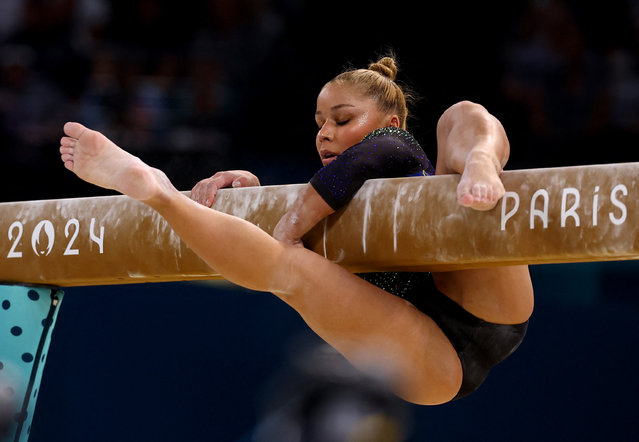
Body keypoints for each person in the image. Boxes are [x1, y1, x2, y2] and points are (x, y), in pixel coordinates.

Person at [59, 55, 534, 406]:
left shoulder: (399, 150)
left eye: (342, 119)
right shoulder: (325, 195)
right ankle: (158, 192)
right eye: (319, 122)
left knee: (461, 114)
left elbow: (375, 155)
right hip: (426, 356)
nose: (324, 132)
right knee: (288, 268)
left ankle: (480, 161)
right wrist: (247, 200)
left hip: (480, 300)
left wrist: (286, 219)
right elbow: (298, 219)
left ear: (388, 122)